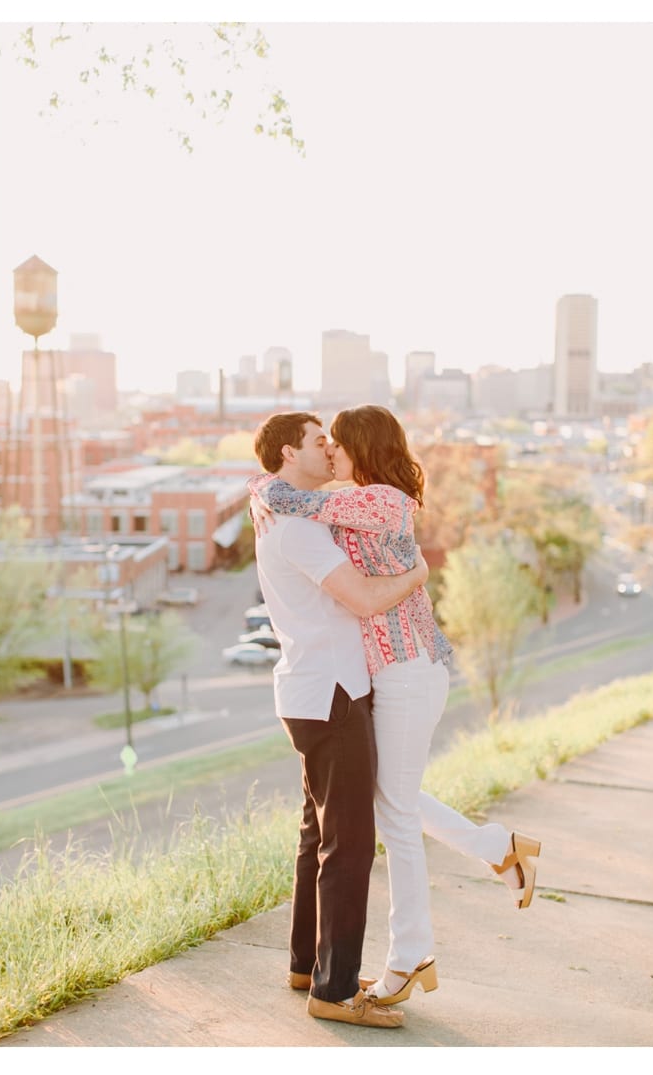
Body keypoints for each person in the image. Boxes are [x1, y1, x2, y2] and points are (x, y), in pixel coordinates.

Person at [249, 404, 541, 1008]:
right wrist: (264, 487)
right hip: (383, 676)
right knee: (390, 799)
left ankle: (409, 959)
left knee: (397, 817)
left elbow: (305, 505)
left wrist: (265, 489)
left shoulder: (381, 500)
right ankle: (498, 849)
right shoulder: (350, 501)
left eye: (336, 443)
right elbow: (301, 510)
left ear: (360, 446)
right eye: (319, 443)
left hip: (408, 671)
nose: (329, 451)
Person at [250, 411, 435, 1030]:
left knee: (318, 839)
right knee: (349, 846)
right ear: (284, 453)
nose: (327, 447)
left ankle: (309, 965)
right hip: (332, 692)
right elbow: (363, 597)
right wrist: (417, 574)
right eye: (316, 440)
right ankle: (332, 992)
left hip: (310, 690)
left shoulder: (287, 511)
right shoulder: (299, 528)